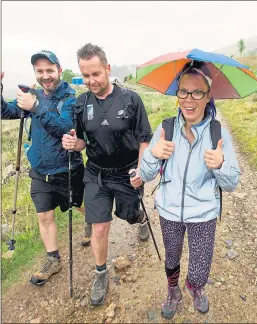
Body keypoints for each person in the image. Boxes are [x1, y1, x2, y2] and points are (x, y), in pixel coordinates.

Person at [140, 61, 241, 319]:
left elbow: (231, 183)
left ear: (208, 96)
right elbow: (146, 174)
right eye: (183, 91)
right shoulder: (166, 129)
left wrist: (219, 166)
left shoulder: (218, 134)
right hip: (169, 210)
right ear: (177, 95)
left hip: (204, 213)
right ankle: (172, 290)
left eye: (197, 92)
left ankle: (195, 287)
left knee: (199, 270)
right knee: (171, 258)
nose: (189, 99)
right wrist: (152, 154)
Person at [61, 43, 153, 306]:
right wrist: (72, 143)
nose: (91, 81)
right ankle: (100, 273)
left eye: (96, 74)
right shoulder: (81, 103)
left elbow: (144, 139)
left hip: (126, 174)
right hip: (96, 175)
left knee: (130, 215)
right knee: (99, 227)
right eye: (85, 76)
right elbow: (81, 142)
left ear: (107, 69)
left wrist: (142, 169)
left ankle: (142, 217)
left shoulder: (130, 99)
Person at [1, 50, 91, 286]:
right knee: (44, 216)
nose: (45, 76)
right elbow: (7, 112)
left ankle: (91, 222)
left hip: (67, 170)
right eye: (40, 71)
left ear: (59, 71)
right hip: (40, 171)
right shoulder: (32, 96)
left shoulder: (70, 100)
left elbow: (65, 128)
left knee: (80, 205)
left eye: (49, 70)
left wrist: (37, 106)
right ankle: (53, 259)